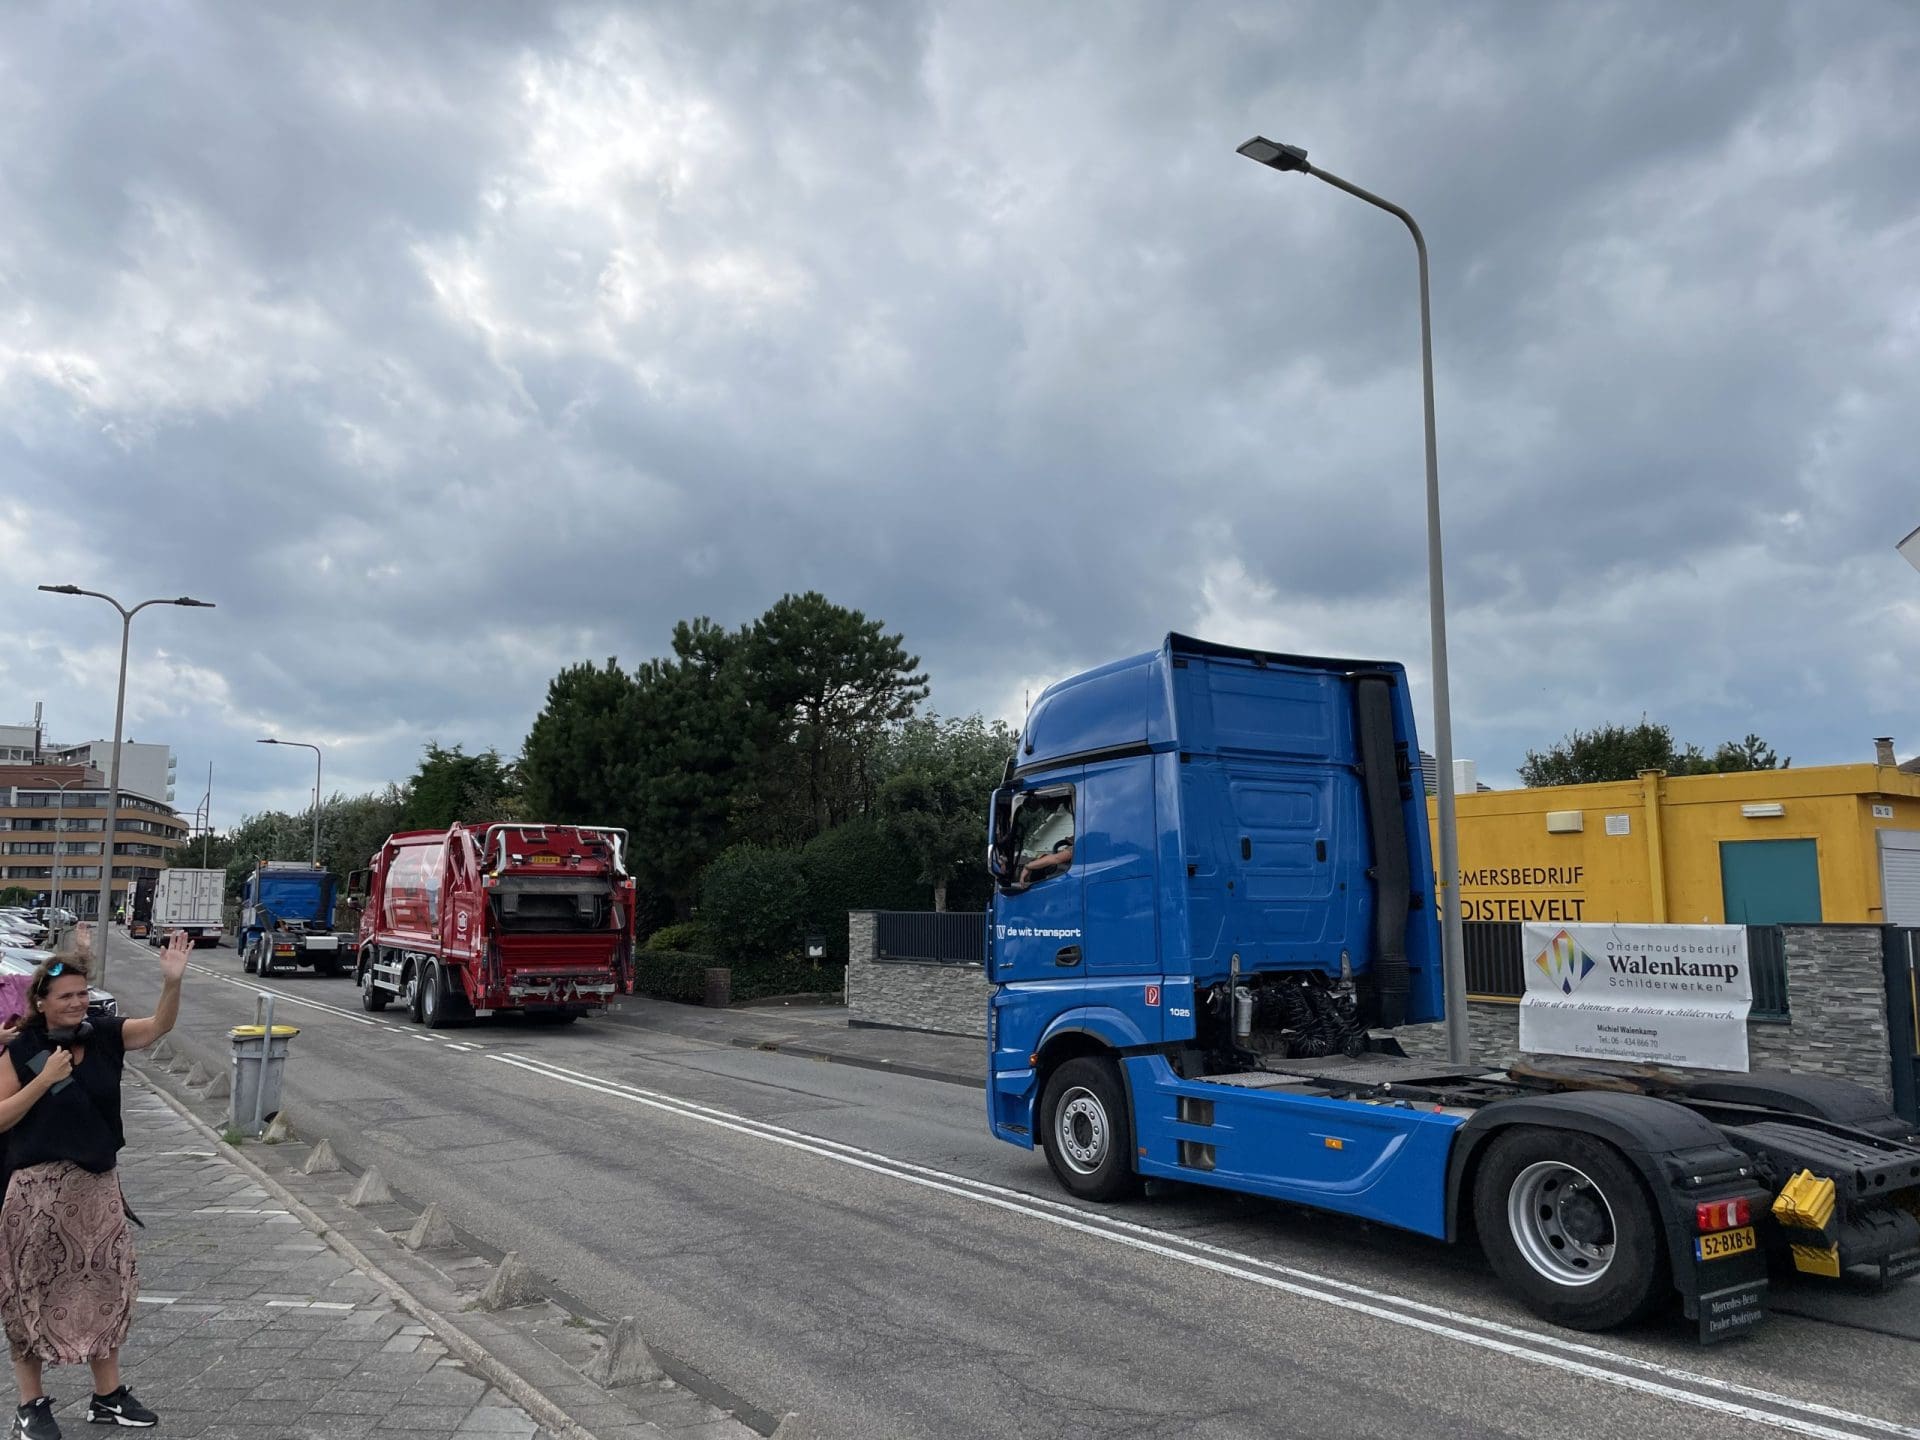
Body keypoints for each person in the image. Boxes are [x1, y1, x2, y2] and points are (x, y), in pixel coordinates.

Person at [0, 927, 187, 1438]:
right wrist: (43, 1079)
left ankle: (107, 1396)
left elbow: (157, 1027)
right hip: (36, 1194)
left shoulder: (103, 1034)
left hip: (97, 1191)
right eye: (66, 996)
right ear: (41, 1001)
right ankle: (30, 1406)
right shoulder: (23, 1047)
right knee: (28, 1297)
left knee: (107, 1290)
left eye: (83, 993)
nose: (77, 1003)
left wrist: (172, 983)